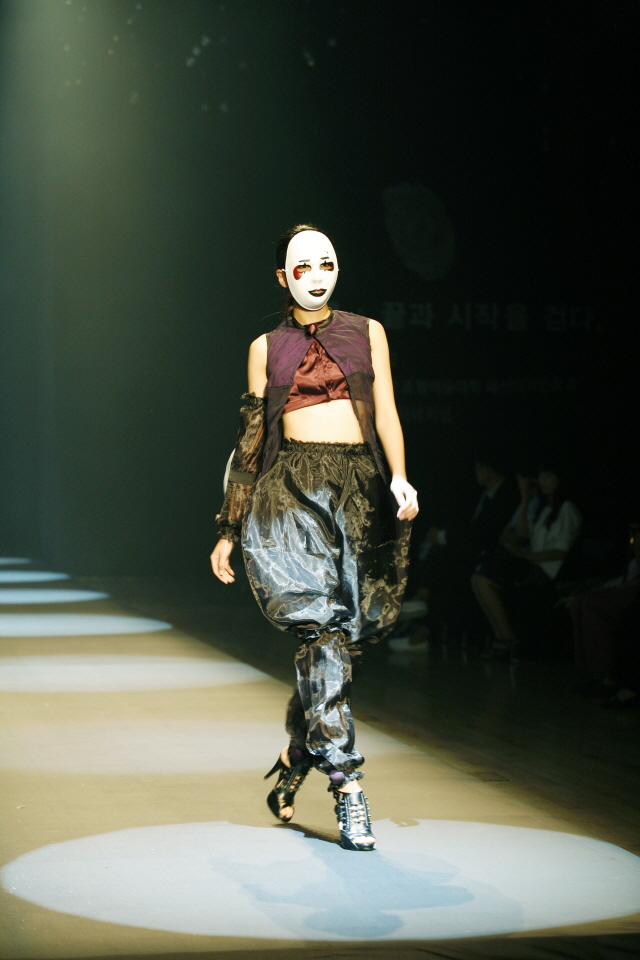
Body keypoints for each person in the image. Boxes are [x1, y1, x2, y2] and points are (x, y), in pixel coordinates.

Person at [210, 225, 418, 850]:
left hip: (357, 491)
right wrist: (229, 526)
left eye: (327, 263)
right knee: (320, 634)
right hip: (290, 493)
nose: (317, 275)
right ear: (283, 277)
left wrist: (400, 476)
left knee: (340, 644)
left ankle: (297, 754)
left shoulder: (368, 331)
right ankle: (348, 785)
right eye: (303, 267)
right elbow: (253, 439)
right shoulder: (265, 347)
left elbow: (386, 410)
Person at [389, 454, 518, 651]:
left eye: (478, 469)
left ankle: (423, 618)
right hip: (475, 553)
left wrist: (445, 537)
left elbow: (485, 533)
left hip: (491, 555)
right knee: (444, 566)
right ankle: (422, 620)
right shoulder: (487, 495)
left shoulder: (506, 496)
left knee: (449, 568)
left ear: (487, 470)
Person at [471, 464, 582, 659]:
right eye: (541, 476)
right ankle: (502, 637)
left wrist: (526, 556)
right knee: (478, 577)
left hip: (546, 569)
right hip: (531, 562)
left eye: (548, 475)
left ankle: (507, 639)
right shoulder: (543, 507)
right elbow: (522, 533)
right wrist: (524, 499)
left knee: (483, 578)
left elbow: (560, 552)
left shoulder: (567, 509)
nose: (542, 481)